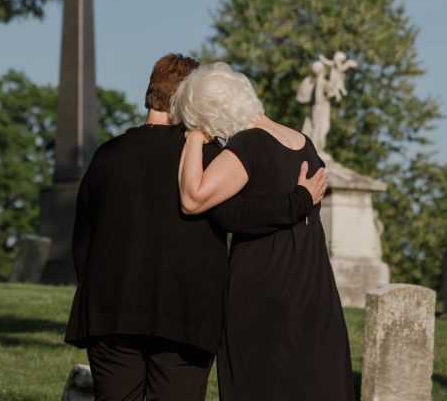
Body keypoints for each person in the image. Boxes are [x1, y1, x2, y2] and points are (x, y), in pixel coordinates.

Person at [64, 54, 328, 401]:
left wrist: (96, 293)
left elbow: (82, 238)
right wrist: (299, 200)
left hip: (110, 313)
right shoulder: (207, 157)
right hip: (185, 317)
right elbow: (237, 216)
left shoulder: (107, 154)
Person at [172, 62, 355, 401]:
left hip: (264, 295)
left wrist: (195, 137)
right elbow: (242, 213)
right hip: (314, 291)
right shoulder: (305, 145)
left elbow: (193, 199)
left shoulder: (249, 145)